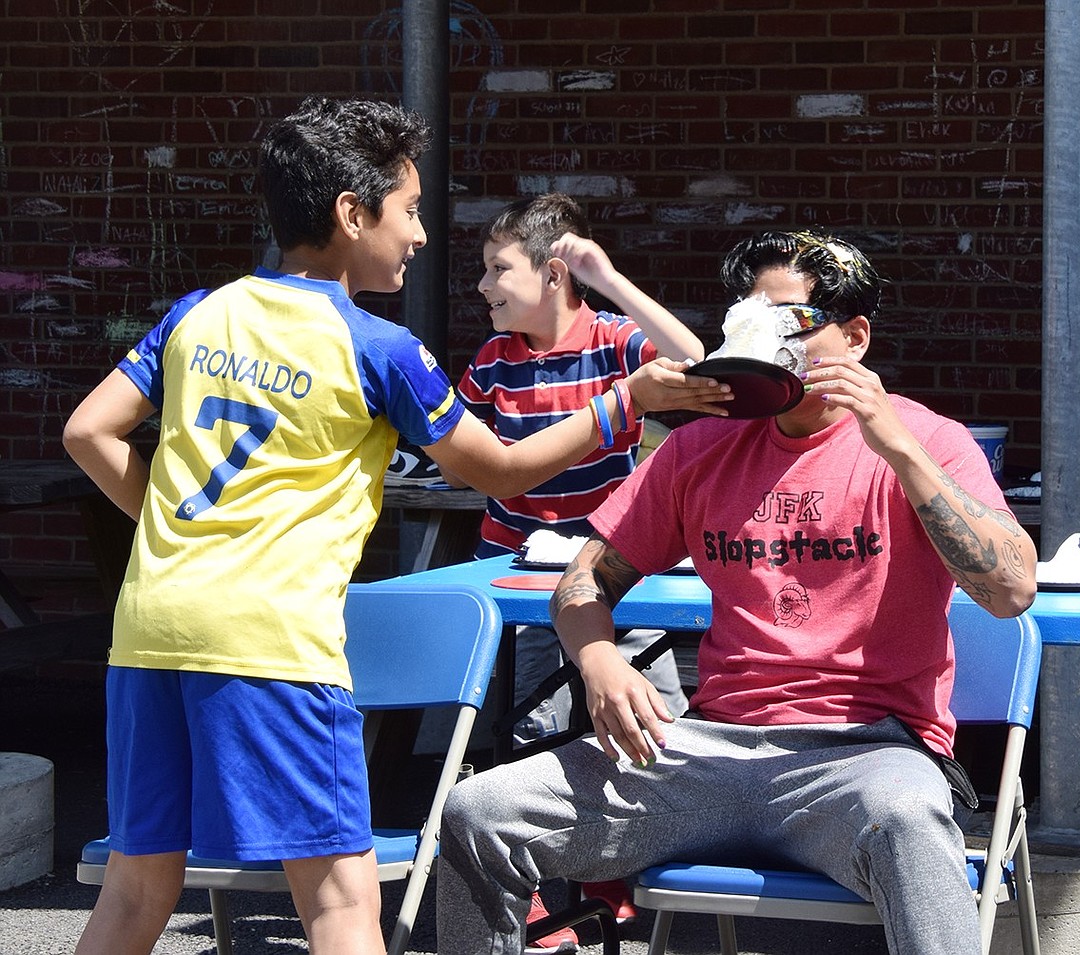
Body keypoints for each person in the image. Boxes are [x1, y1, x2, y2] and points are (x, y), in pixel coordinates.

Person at [62, 96, 732, 955]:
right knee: (342, 903)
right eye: (410, 210)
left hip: (148, 629)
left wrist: (183, 531)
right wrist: (622, 404)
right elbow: (500, 469)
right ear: (352, 213)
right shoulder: (382, 347)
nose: (420, 235)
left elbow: (88, 431)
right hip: (273, 644)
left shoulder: (196, 311)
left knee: (133, 890)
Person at [435, 229, 1038, 955]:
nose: (764, 338)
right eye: (748, 316)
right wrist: (598, 660)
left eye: (788, 322)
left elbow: (1010, 590)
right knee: (479, 809)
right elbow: (583, 580)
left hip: (864, 756)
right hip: (705, 750)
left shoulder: (926, 440)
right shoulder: (702, 447)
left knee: (909, 819)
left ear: (854, 336)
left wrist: (896, 447)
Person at [450, 194, 698, 948]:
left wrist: (611, 278)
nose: (484, 285)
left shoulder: (615, 341)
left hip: (617, 572)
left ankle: (614, 870)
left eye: (499, 268)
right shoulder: (494, 362)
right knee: (535, 725)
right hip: (522, 574)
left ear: (555, 274)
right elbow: (473, 459)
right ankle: (531, 896)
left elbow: (694, 361)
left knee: (652, 718)